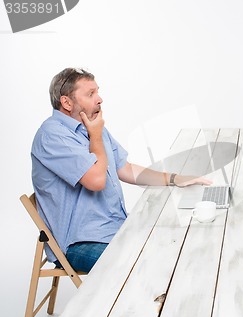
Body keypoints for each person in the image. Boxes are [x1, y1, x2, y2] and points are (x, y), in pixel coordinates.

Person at [31, 68, 211, 273]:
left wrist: (174, 178)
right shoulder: (53, 135)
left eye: (97, 91)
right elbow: (97, 181)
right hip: (78, 244)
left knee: (177, 243)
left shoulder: (90, 126)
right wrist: (96, 135)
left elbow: (124, 168)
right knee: (154, 265)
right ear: (67, 102)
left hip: (114, 228)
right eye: (90, 94)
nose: (99, 99)